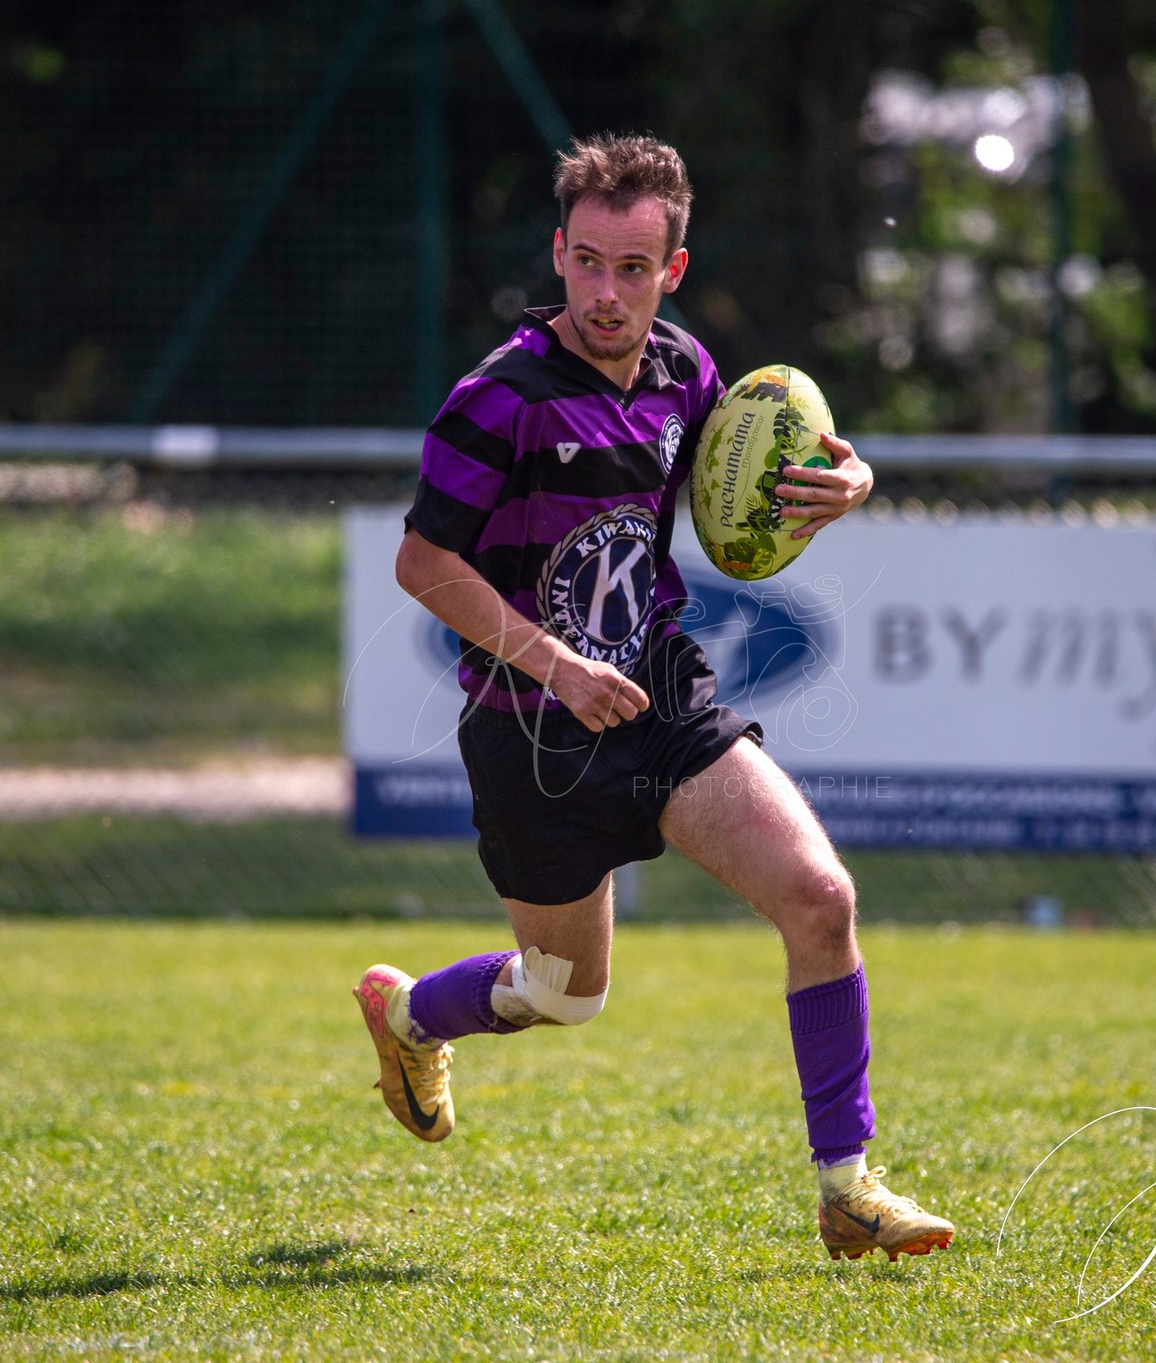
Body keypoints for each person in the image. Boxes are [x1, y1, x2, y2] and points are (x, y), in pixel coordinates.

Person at [354, 133, 953, 1263]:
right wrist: (556, 664)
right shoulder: (501, 398)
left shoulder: (686, 373)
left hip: (660, 694)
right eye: (585, 263)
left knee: (820, 899)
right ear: (558, 253)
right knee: (560, 996)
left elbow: (753, 480)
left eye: (632, 270)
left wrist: (847, 479)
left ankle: (848, 1186)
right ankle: (406, 1014)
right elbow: (423, 565)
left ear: (670, 269)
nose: (605, 294)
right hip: (534, 732)